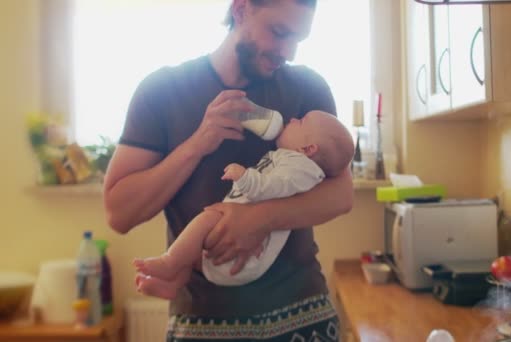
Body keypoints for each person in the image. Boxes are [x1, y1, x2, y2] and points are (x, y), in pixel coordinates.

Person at [103, 0, 354, 340]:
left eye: (299, 38)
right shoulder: (162, 92)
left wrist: (259, 219)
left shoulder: (308, 89)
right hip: (203, 321)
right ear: (240, 10)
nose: (289, 52)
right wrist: (197, 144)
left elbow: (341, 195)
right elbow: (120, 213)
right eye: (279, 33)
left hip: (302, 314)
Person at [133, 110, 354, 300]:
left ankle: (170, 262)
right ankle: (174, 282)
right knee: (196, 248)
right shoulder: (292, 160)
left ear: (308, 149)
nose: (293, 120)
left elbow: (272, 187)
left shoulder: (301, 169)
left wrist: (244, 176)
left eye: (301, 121)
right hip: (240, 260)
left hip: (249, 257)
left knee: (206, 220)